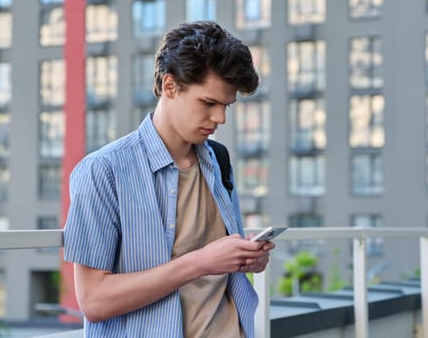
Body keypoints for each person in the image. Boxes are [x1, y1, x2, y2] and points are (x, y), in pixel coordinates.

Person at [63, 21, 275, 337]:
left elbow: (220, 268)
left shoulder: (219, 160)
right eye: (208, 103)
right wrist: (201, 262)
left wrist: (245, 260)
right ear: (170, 86)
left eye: (226, 105)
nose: (220, 118)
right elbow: (93, 300)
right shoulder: (103, 171)